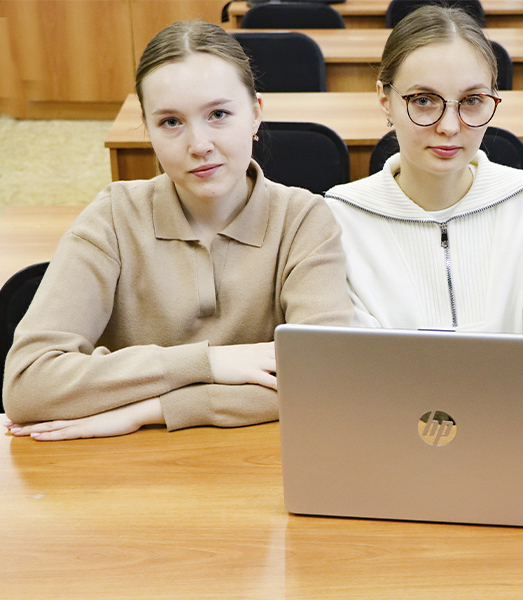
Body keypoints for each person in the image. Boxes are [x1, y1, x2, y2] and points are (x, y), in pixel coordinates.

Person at [3, 21, 353, 441]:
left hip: (259, 463)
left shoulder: (304, 220)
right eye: (171, 122)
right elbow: (28, 385)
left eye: (218, 114)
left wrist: (150, 409)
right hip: (129, 468)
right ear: (147, 129)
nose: (199, 145)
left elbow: (325, 379)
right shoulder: (113, 216)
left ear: (256, 113)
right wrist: (209, 363)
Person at [324, 6, 523, 335]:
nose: (449, 127)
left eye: (471, 100)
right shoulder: (337, 220)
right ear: (385, 101)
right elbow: (354, 358)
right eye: (423, 100)